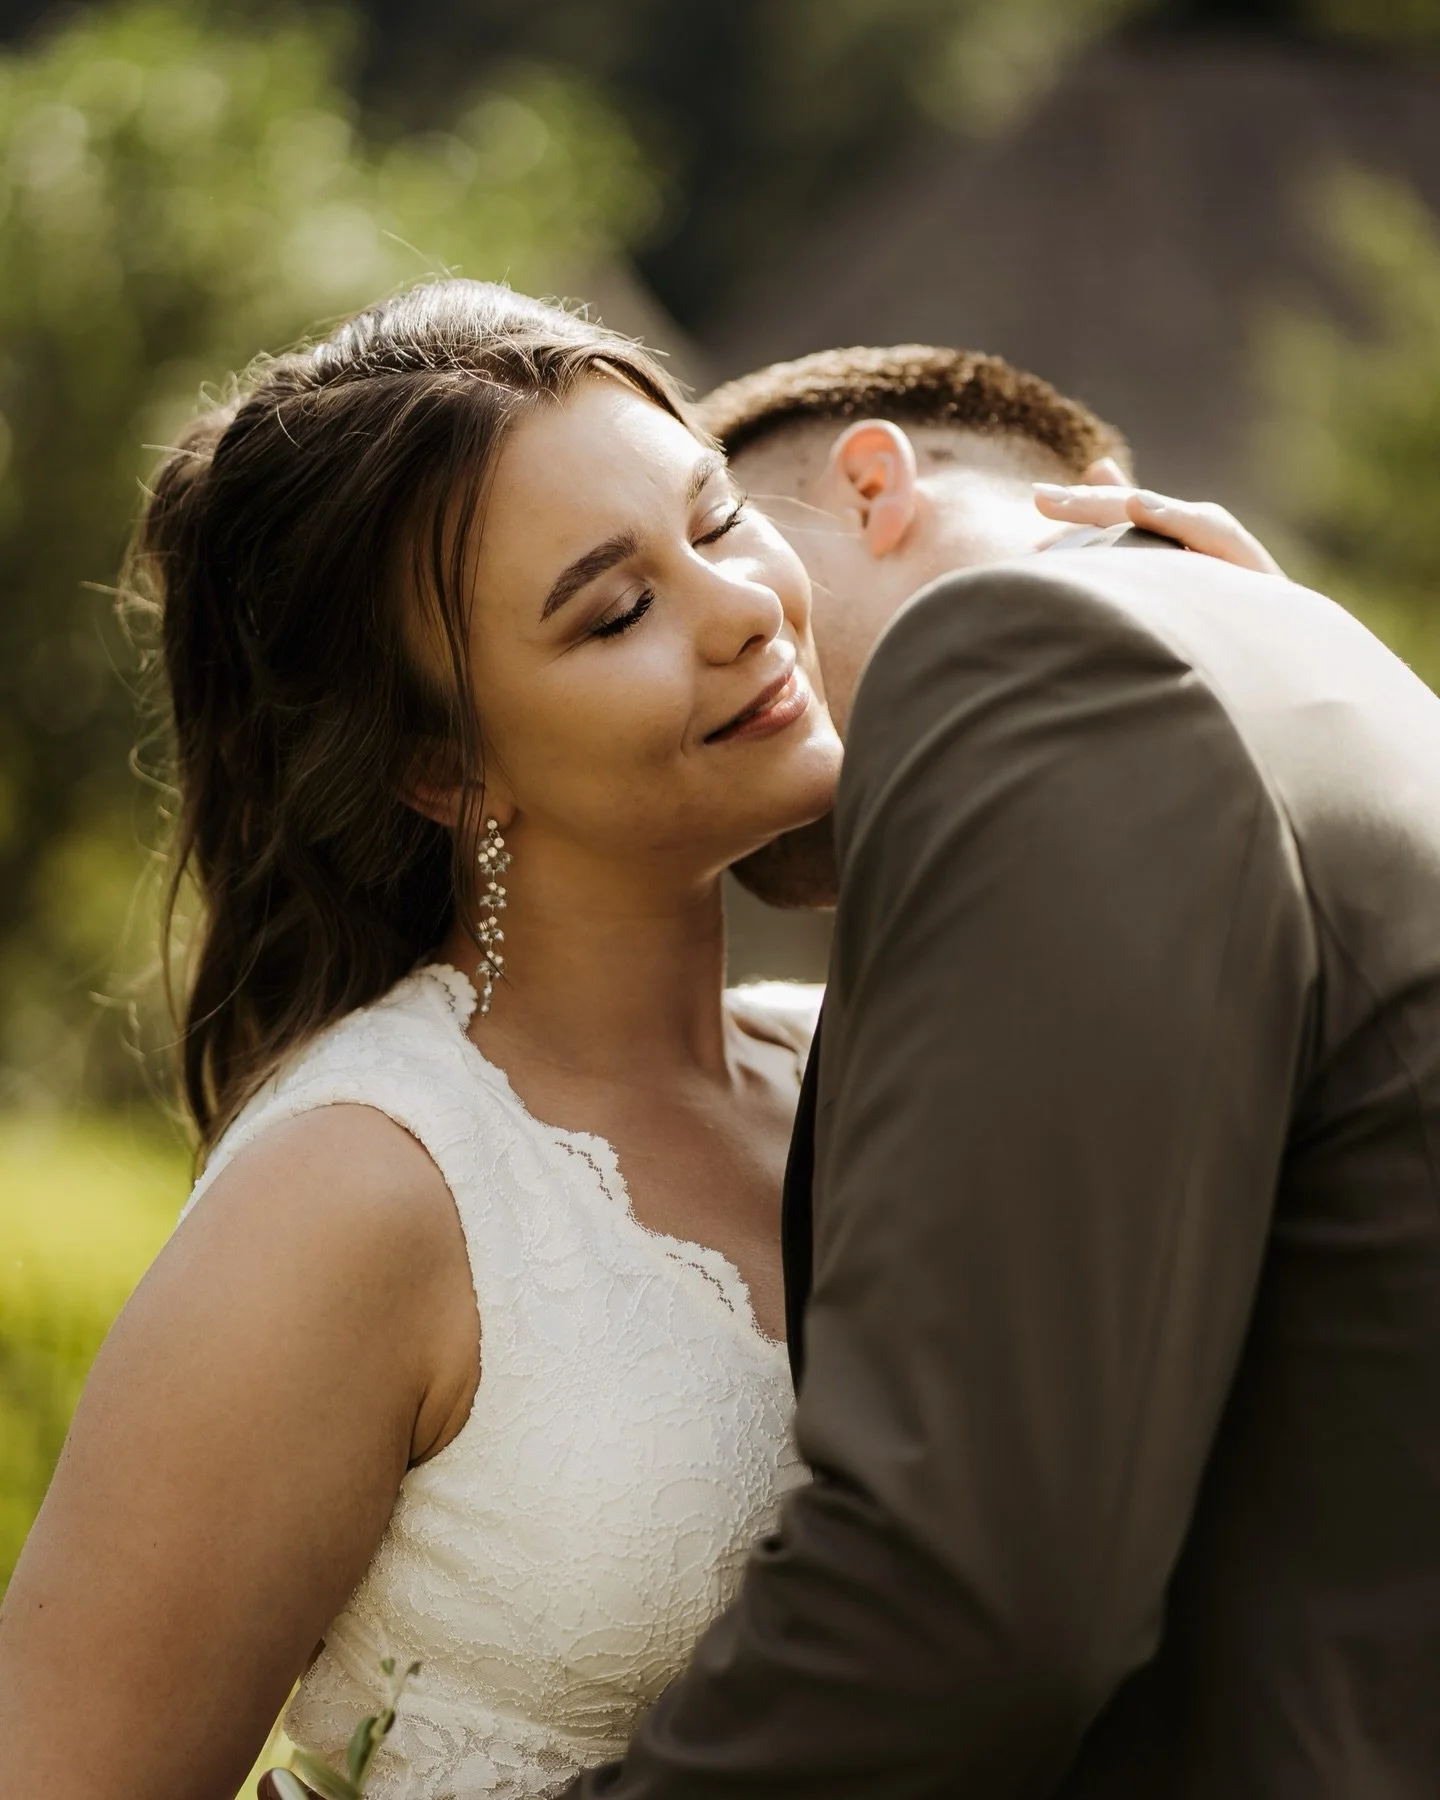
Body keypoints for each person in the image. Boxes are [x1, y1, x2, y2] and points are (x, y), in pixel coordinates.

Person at [0, 296, 1281, 1800]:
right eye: (615, 611)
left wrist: (1258, 700)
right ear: (443, 766)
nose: (740, 606)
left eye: (721, 520)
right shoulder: (361, 1195)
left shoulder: (863, 1068)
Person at [559, 344, 1440, 1796]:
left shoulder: (1032, 658)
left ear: (870, 481)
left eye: (723, 531)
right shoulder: (1312, 673)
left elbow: (958, 1601)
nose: (730, 624)